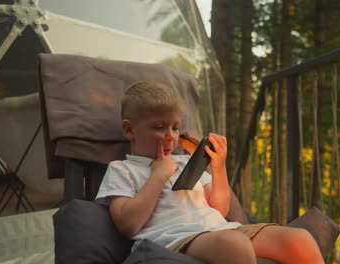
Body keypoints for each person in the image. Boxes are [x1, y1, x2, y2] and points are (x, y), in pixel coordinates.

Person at [96, 80, 324, 264]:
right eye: (158, 127)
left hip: (220, 228)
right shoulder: (122, 169)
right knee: (235, 245)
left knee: (300, 240)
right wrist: (158, 175)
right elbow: (127, 225)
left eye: (175, 127)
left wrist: (218, 167)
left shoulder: (185, 161)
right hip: (175, 238)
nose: (170, 136)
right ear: (129, 129)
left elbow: (220, 208)